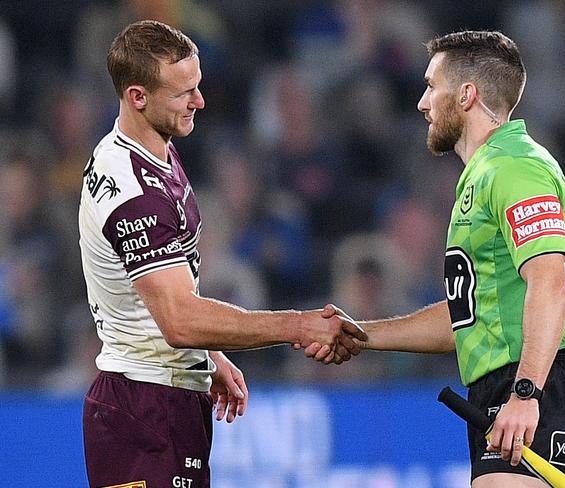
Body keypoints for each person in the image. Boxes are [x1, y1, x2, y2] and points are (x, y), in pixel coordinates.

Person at [78, 20, 366, 488]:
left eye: (198, 85)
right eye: (183, 93)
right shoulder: (134, 191)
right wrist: (298, 325)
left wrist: (206, 356)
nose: (199, 101)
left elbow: (166, 286)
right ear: (137, 96)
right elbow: (178, 319)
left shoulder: (151, 150)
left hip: (164, 399)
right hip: (142, 409)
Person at [305, 30, 565, 487]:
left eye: (431, 86)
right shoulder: (482, 176)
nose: (423, 103)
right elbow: (470, 318)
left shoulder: (515, 167)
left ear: (466, 94)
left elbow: (550, 282)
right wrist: (364, 336)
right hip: (501, 387)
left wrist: (526, 392)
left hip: (537, 383)